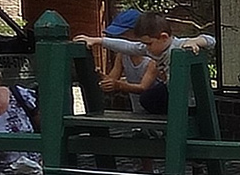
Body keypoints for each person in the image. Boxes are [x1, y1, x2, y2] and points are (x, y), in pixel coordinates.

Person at [75, 13, 216, 115]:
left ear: (163, 37)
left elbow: (210, 40)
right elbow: (126, 46)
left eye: (148, 43)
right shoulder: (150, 48)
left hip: (190, 98)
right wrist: (97, 41)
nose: (146, 48)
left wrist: (195, 41)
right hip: (172, 91)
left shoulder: (179, 45)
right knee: (148, 99)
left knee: (154, 97)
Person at [95, 8, 150, 103]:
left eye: (122, 34)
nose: (118, 39)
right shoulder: (122, 55)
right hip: (136, 111)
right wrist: (102, 78)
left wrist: (119, 85)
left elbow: (143, 87)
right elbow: (112, 79)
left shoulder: (151, 57)